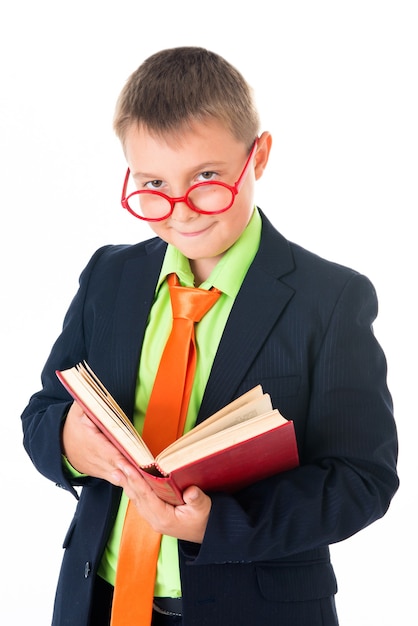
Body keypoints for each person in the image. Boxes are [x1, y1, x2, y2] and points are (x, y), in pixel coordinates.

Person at [21, 46, 399, 626]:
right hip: (99, 599)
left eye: (206, 177)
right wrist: (70, 445)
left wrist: (216, 524)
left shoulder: (330, 299)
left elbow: (361, 478)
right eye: (152, 182)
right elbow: (44, 410)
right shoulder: (110, 276)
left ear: (259, 156)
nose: (181, 210)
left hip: (253, 607)